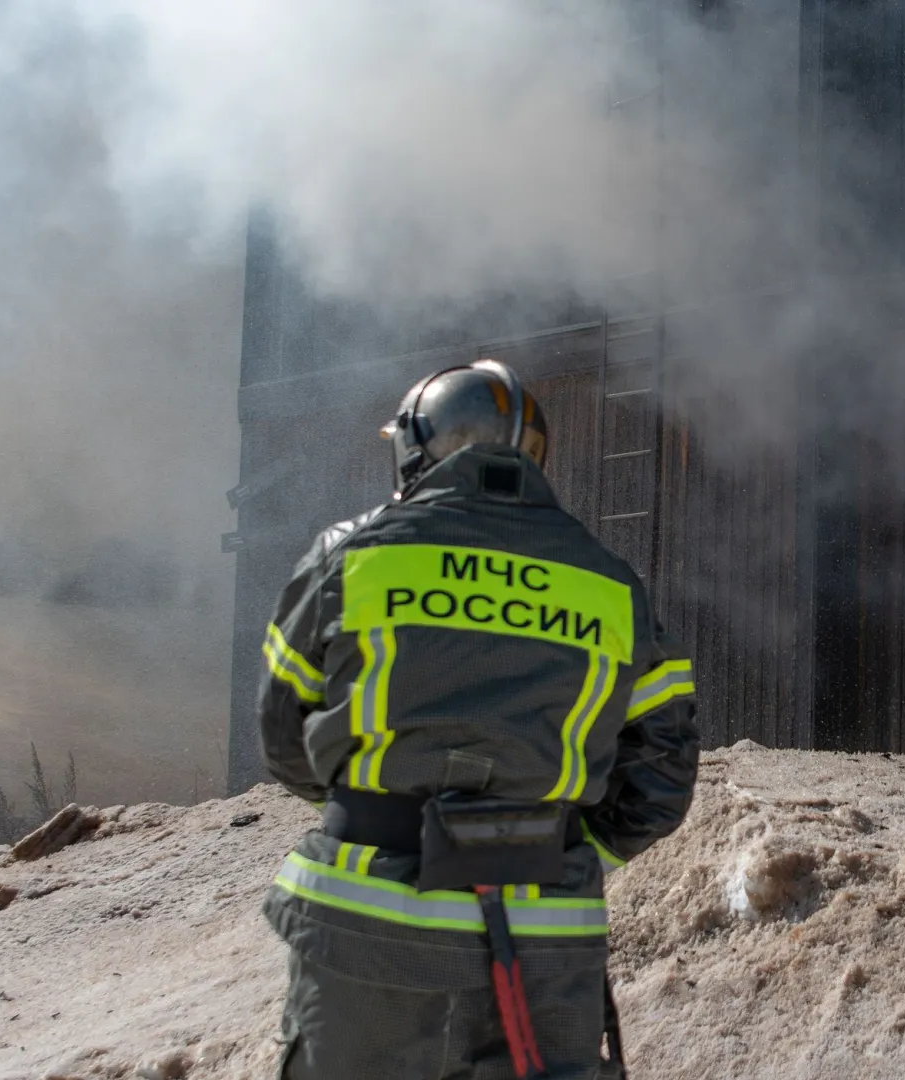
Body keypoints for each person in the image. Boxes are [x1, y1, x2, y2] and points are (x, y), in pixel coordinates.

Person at [255, 359, 699, 1079]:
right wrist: (549, 848)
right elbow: (660, 781)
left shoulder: (352, 555)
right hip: (544, 939)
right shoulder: (614, 585)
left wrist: (378, 806)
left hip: (368, 928)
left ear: (412, 447)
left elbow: (282, 736)